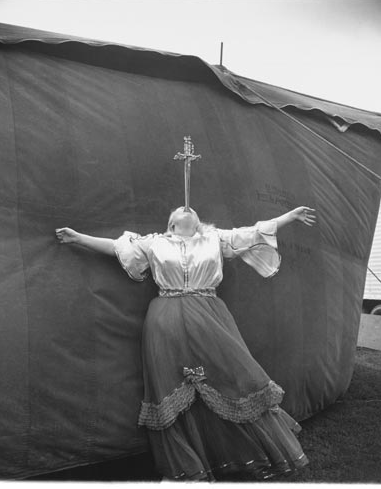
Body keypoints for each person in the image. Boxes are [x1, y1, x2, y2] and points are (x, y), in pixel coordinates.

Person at [55, 205, 316, 481]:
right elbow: (117, 247)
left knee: (232, 376)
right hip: (165, 320)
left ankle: (244, 451)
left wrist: (289, 217)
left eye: (190, 208)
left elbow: (253, 233)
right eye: (180, 208)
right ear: (172, 223)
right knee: (169, 385)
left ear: (197, 221)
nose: (185, 206)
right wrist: (79, 238)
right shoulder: (155, 242)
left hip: (209, 317)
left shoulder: (215, 239)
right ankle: (184, 466)